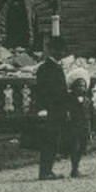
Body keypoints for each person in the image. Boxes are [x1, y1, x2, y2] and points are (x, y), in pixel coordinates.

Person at [33, 39, 69, 180]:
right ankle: (45, 171)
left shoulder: (56, 67)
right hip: (50, 109)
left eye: (62, 50)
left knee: (53, 140)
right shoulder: (45, 68)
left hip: (57, 109)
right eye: (59, 50)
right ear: (52, 51)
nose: (62, 53)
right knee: (48, 141)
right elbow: (42, 91)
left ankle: (48, 170)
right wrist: (43, 108)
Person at [64, 77, 94, 178]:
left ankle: (76, 167)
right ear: (74, 88)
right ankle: (74, 169)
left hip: (85, 125)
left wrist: (91, 126)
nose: (82, 88)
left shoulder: (87, 100)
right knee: (75, 147)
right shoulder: (70, 99)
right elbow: (68, 112)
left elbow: (92, 114)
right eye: (79, 86)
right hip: (74, 126)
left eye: (83, 86)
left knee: (82, 147)